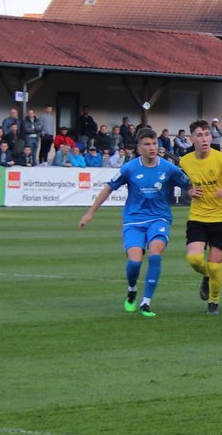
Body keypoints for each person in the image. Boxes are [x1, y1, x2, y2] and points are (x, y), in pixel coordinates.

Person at [79, 131, 189, 317]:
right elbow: (107, 189)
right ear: (139, 148)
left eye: (154, 143)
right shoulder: (129, 168)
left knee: (155, 255)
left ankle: (146, 303)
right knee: (135, 262)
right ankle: (132, 290)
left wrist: (193, 191)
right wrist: (90, 213)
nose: (152, 147)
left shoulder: (168, 168)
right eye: (147, 144)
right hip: (134, 220)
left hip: (159, 218)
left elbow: (190, 184)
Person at [176, 120, 222, 315]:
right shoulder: (185, 161)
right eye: (199, 135)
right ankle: (207, 275)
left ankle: (214, 302)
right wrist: (189, 191)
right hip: (198, 216)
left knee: (215, 265)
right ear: (192, 139)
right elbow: (181, 181)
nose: (205, 138)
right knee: (194, 259)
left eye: (207, 134)